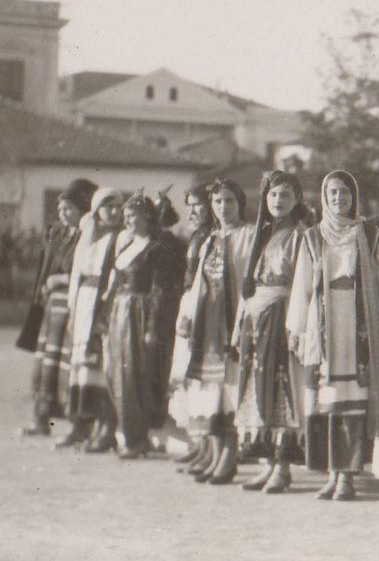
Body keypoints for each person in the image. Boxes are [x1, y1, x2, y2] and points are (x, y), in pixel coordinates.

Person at [293, 171, 379, 501]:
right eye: (333, 192)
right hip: (323, 323)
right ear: (324, 196)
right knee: (329, 399)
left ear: (354, 196)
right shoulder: (312, 237)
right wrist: (298, 330)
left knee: (353, 398)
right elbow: (302, 287)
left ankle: (348, 475)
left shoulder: (370, 234)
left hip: (357, 324)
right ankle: (332, 473)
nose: (339, 198)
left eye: (345, 192)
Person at [235, 170, 318, 494]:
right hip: (257, 315)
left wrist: (297, 326)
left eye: (285, 195)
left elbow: (301, 284)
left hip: (283, 314)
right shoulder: (264, 234)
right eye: (272, 195)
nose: (278, 201)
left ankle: (283, 466)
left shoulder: (301, 235)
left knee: (283, 388)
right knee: (259, 387)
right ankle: (268, 463)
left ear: (297, 199)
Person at [169, 178, 253, 484]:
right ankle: (215, 454)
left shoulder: (249, 235)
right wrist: (189, 315)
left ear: (240, 203)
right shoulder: (211, 239)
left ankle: (229, 457)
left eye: (229, 201)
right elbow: (200, 284)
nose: (223, 207)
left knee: (229, 390)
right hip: (209, 321)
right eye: (217, 202)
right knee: (210, 391)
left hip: (233, 320)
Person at [102, 193, 186, 458]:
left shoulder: (156, 248)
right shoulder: (127, 245)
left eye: (132, 215)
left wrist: (152, 326)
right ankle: (126, 432)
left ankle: (137, 436)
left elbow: (161, 290)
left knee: (134, 375)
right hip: (120, 312)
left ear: (147, 216)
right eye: (125, 215)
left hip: (140, 313)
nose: (126, 220)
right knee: (116, 371)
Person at [22, 178, 96, 436]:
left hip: (72, 306)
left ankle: (77, 423)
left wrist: (61, 280)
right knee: (46, 363)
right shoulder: (59, 235)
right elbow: (47, 266)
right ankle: (41, 420)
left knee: (67, 364)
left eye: (69, 209)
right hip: (52, 308)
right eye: (61, 209)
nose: (64, 214)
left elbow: (85, 271)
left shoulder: (90, 236)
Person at [61, 187, 124, 453]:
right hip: (84, 304)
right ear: (96, 212)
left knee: (101, 366)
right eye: (107, 207)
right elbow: (76, 275)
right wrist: (73, 308)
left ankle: (105, 425)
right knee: (82, 366)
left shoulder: (121, 239)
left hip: (104, 303)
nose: (113, 212)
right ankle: (81, 424)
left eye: (117, 207)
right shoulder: (87, 240)